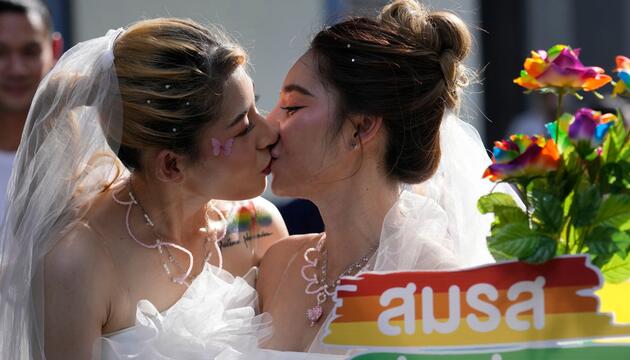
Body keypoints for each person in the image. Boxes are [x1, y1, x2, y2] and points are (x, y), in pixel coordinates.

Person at [0, 17, 288, 359]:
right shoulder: (77, 261)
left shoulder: (258, 227)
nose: (269, 134)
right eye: (242, 127)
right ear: (172, 165)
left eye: (256, 105)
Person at [258, 0, 517, 353]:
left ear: (361, 127)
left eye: (292, 106)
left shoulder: (442, 288)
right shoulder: (277, 264)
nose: (269, 125)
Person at [0, 0, 62, 220]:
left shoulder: (82, 161)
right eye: (1, 52)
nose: (16, 69)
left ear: (54, 49)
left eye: (30, 52)